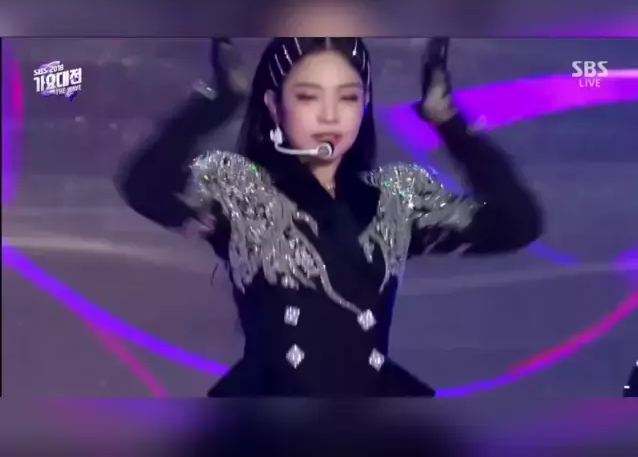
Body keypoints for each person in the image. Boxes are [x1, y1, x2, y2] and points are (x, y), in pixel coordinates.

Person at [116, 38, 542, 397]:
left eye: (348, 97)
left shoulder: (399, 195)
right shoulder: (238, 187)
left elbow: (517, 223)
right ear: (274, 106)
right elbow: (145, 185)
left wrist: (447, 121)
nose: (330, 115)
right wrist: (218, 101)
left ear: (364, 104)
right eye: (307, 97)